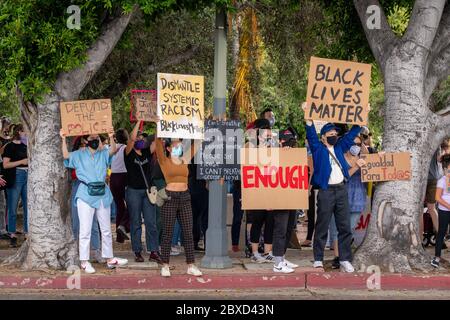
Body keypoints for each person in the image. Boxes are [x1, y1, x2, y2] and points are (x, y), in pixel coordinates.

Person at [60, 128, 128, 274]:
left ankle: (109, 258)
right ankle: (84, 261)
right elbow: (65, 155)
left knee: (106, 229)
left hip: (103, 194)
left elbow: (113, 150)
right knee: (85, 230)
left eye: (97, 137)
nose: (95, 139)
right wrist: (63, 138)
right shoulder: (78, 154)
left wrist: (111, 137)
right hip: (85, 194)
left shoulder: (103, 153)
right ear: (86, 140)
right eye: (92, 137)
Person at [304, 104, 361, 272]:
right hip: (326, 191)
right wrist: (308, 120)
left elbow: (351, 135)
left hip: (341, 189)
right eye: (330, 134)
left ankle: (344, 259)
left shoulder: (340, 146)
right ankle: (318, 259)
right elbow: (311, 134)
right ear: (323, 137)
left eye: (335, 134)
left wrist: (361, 118)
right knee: (322, 225)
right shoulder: (318, 148)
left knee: (344, 226)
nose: (334, 136)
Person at [155, 136, 203, 277]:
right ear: (169, 148)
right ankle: (165, 265)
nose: (179, 148)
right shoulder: (164, 161)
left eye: (180, 146)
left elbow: (197, 144)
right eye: (175, 146)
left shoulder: (185, 159)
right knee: (168, 233)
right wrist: (159, 126)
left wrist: (198, 129)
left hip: (185, 197)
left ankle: (191, 265)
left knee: (188, 233)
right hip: (170, 197)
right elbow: (158, 144)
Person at [124, 121, 161, 263]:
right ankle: (137, 251)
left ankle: (153, 251)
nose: (140, 139)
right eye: (138, 137)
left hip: (147, 192)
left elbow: (157, 141)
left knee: (151, 222)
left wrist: (158, 124)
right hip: (133, 191)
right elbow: (132, 139)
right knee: (136, 222)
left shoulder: (146, 151)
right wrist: (139, 121)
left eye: (142, 137)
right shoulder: (128, 153)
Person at [69, 136, 102, 262]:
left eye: (86, 144)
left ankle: (95, 250)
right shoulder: (74, 156)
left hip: (91, 188)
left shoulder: (94, 156)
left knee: (93, 221)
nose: (84, 146)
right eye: (81, 144)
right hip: (78, 186)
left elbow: (102, 150)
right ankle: (78, 251)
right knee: (77, 221)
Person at [247, 118, 275, 264]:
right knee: (257, 221)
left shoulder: (275, 149)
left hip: (271, 190)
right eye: (265, 134)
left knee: (271, 222)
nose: (268, 137)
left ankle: (268, 252)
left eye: (270, 135)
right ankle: (254, 252)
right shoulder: (250, 148)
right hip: (257, 190)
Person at [2, 124, 28, 247]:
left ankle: (27, 233)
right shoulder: (9, 146)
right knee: (12, 206)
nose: (26, 134)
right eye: (24, 132)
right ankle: (12, 234)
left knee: (28, 206)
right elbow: (5, 165)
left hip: (28, 175)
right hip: (15, 176)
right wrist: (22, 162)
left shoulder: (26, 146)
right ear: (18, 132)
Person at [110, 128, 130, 243]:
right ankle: (124, 226)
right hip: (124, 177)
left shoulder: (111, 148)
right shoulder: (126, 149)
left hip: (113, 178)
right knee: (131, 205)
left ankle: (119, 237)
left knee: (119, 206)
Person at [431, 154, 450, 268]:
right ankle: (437, 257)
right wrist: (448, 206)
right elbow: (437, 198)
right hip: (444, 211)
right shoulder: (441, 180)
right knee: (441, 233)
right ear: (445, 168)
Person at [189, 162, 208, 251]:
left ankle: (194, 242)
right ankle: (207, 243)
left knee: (194, 217)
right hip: (201, 186)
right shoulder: (204, 154)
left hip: (192, 185)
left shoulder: (190, 152)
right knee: (204, 217)